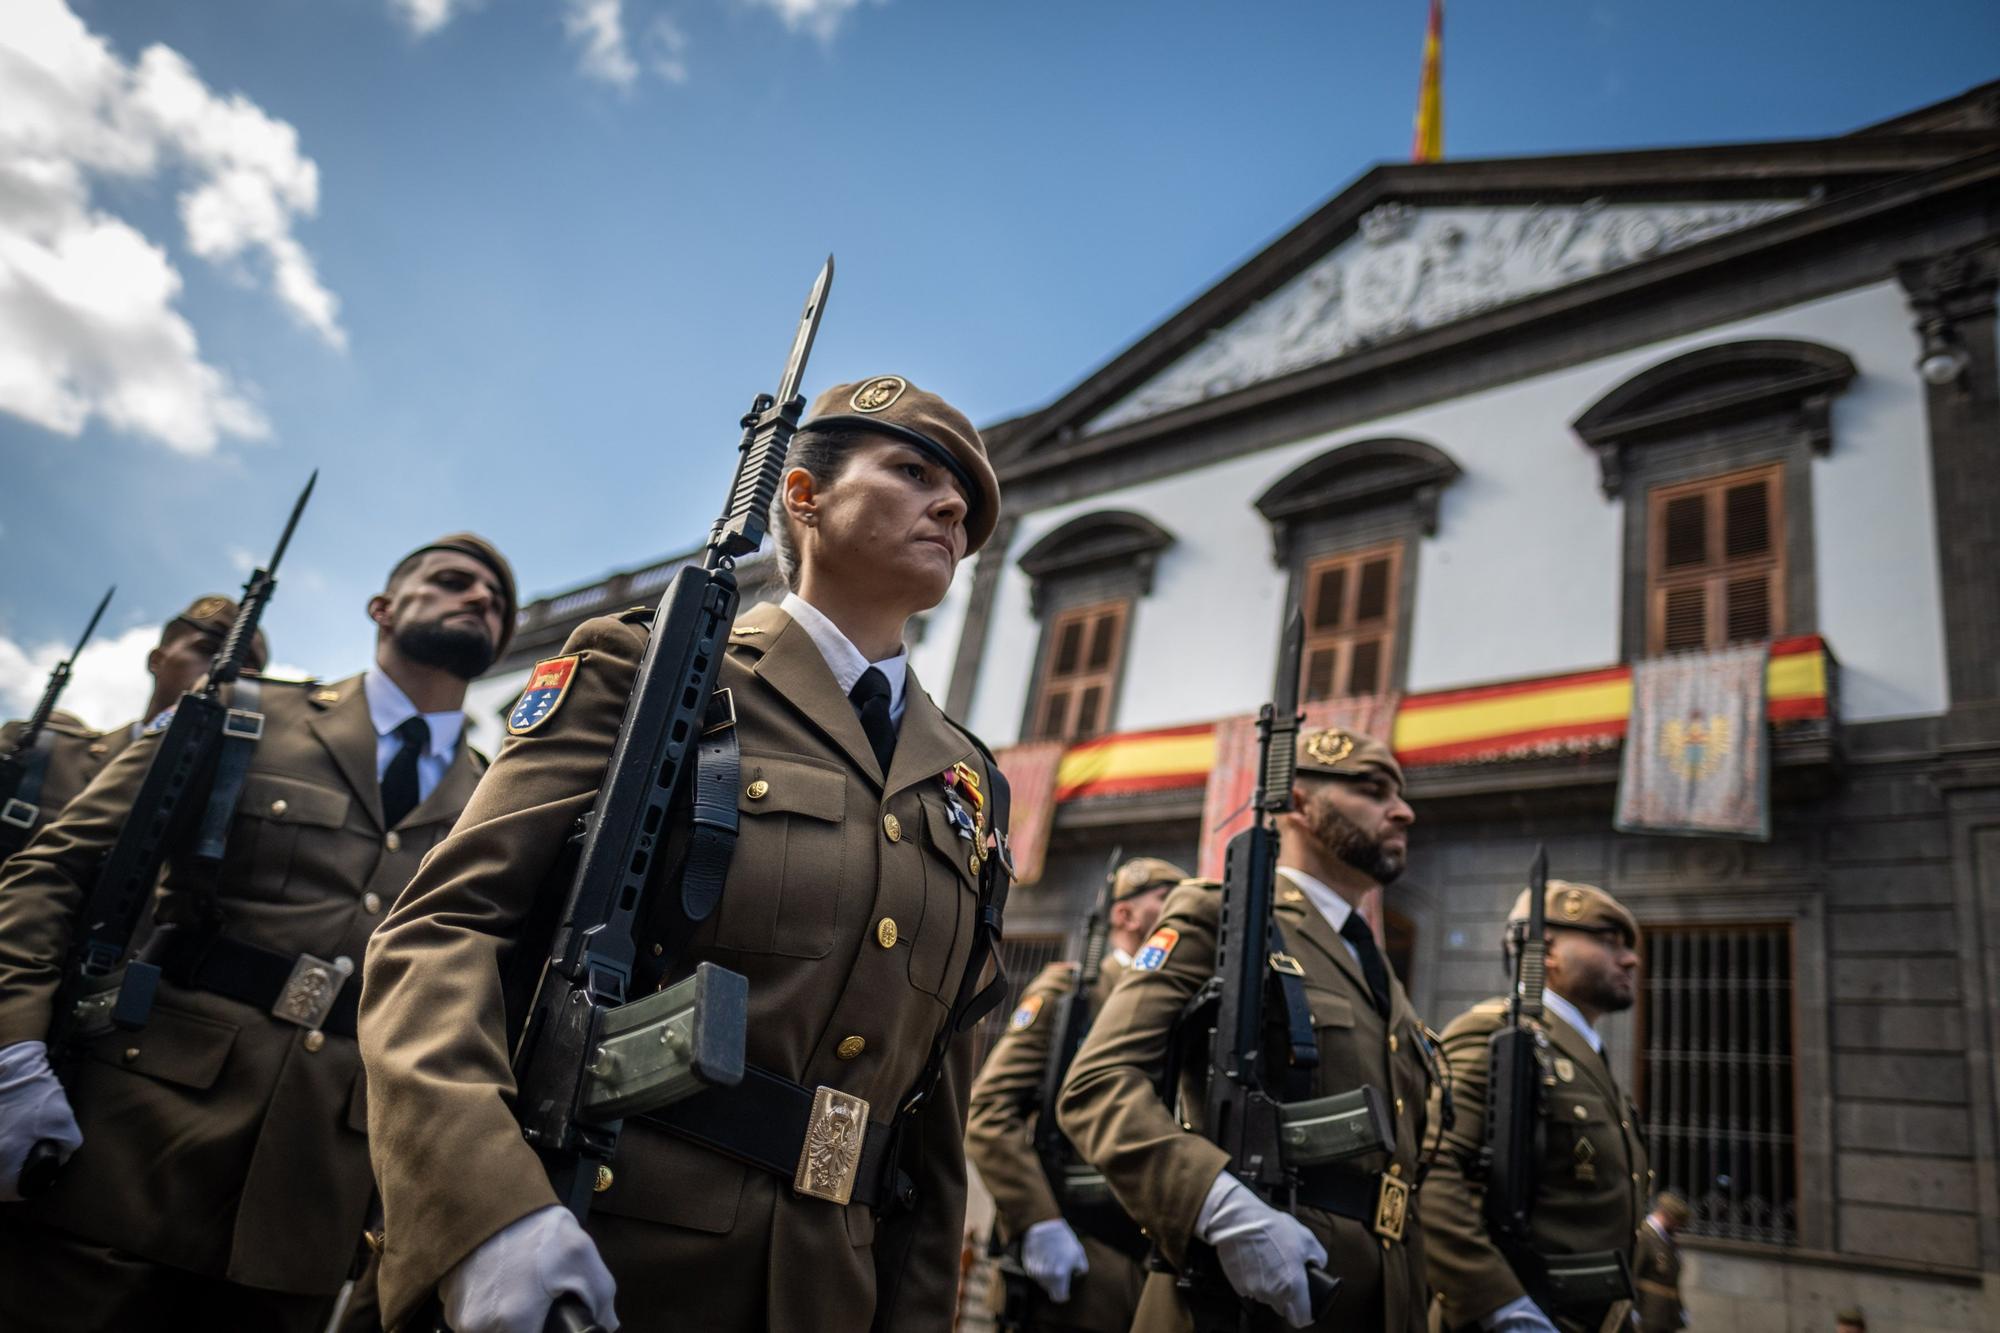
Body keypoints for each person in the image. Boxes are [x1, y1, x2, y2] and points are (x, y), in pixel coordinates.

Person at [359, 376, 1010, 1333]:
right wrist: (484, 1212)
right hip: (610, 1254)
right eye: (913, 472)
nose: (951, 506)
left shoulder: (967, 781)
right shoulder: (653, 670)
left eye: (964, 501)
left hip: (831, 1290)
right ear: (802, 495)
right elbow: (442, 934)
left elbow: (932, 1110)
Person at [0, 534, 515, 1332]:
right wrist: (13, 1049)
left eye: (497, 599)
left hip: (314, 1194)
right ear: (382, 607)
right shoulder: (246, 711)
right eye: (452, 580)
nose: (480, 597)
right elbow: (56, 866)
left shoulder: (495, 799)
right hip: (134, 1143)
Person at [1058, 728, 1436, 1332]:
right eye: (1372, 790)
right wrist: (1219, 1206)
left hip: (1379, 1300)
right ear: (1300, 804)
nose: (1402, 811)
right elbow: (1098, 1085)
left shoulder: (1376, 966)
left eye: (1399, 794)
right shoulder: (1224, 915)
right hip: (1242, 1302)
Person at [966, 855, 1187, 1331]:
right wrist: (1037, 1221)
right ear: (1124, 915)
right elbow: (988, 1112)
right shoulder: (1071, 993)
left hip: (1157, 1273)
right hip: (1080, 1261)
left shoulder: (1185, 1008)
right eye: (1167, 899)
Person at [1419, 880, 1652, 1333]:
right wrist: (1498, 1305)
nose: (1631, 959)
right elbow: (1431, 1170)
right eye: (1609, 942)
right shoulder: (1498, 1035)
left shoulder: (1586, 1054)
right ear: (1545, 951)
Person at [0, 596, 270, 850]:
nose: (226, 673)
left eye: (247, 667)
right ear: (157, 660)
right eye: (208, 651)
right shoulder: (42, 753)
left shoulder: (243, 802)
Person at [1633, 1191, 1689, 1333]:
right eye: (1677, 1222)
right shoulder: (1645, 1235)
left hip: (1666, 1316)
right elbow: (1633, 1273)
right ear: (1668, 1216)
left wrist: (1679, 1308)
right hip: (1648, 1315)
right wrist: (1632, 1309)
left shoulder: (1667, 1240)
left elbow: (1672, 1281)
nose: (1677, 1227)